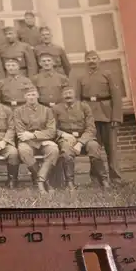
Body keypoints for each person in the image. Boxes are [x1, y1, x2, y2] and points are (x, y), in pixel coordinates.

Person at [76, 50, 123, 183]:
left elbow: (116, 97)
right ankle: (96, 178)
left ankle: (115, 178)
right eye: (89, 59)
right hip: (90, 118)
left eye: (94, 58)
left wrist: (116, 117)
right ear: (85, 62)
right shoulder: (81, 78)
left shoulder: (108, 75)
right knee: (93, 148)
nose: (91, 61)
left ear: (99, 60)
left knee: (111, 148)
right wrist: (81, 119)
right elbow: (78, 100)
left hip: (108, 116)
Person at [52, 86, 110, 191]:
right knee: (66, 151)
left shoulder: (84, 107)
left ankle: (103, 180)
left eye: (70, 93)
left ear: (75, 95)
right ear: (61, 96)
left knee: (94, 146)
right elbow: (52, 128)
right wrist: (64, 135)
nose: (68, 95)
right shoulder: (56, 109)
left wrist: (80, 143)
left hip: (84, 138)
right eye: (65, 94)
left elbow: (91, 129)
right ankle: (70, 183)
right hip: (66, 138)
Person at [13, 86, 59, 193]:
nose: (31, 97)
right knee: (24, 151)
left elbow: (51, 131)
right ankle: (44, 181)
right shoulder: (18, 111)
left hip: (43, 140)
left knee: (53, 150)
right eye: (29, 95)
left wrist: (34, 135)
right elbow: (21, 133)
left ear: (38, 95)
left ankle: (40, 180)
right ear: (25, 97)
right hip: (27, 142)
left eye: (33, 94)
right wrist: (32, 137)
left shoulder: (47, 110)